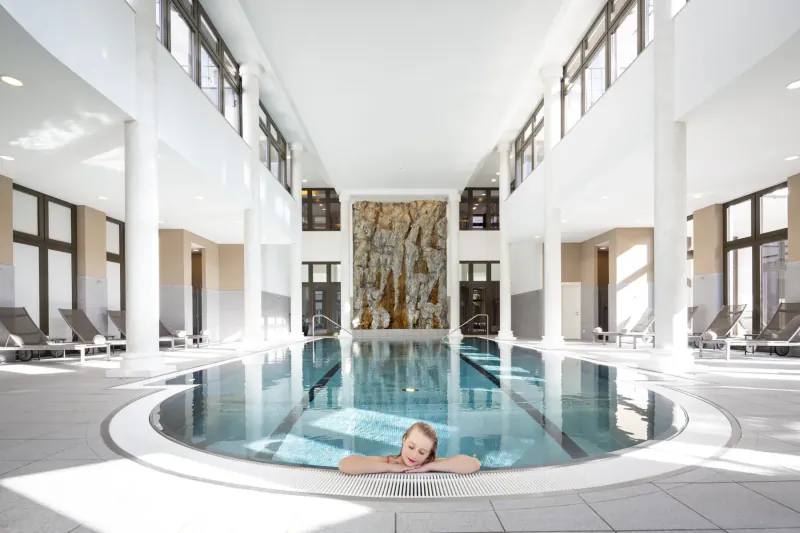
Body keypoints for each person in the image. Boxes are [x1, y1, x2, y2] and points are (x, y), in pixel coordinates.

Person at [338, 422, 480, 475]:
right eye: (411, 447)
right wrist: (390, 468)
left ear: (429, 454)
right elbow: (344, 464)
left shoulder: (430, 464)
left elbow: (474, 464)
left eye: (422, 452)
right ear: (404, 439)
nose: (414, 455)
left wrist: (428, 467)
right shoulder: (387, 462)